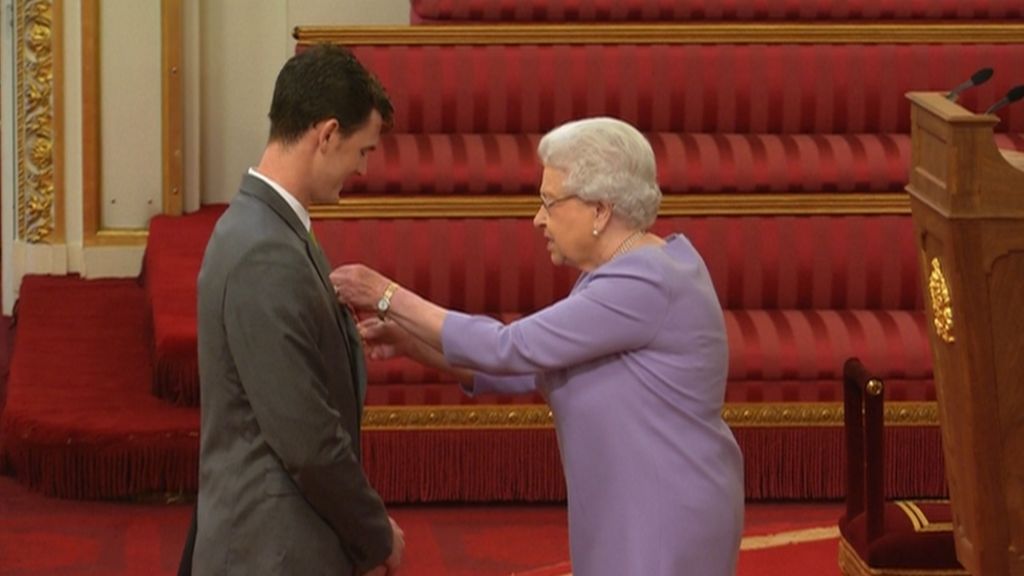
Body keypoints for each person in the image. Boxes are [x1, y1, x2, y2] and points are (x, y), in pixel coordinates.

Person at [332, 117, 744, 576]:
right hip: (633, 503)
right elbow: (529, 367)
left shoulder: (644, 281)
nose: (538, 218)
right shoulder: (618, 273)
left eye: (549, 202)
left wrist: (385, 294)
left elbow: (510, 347)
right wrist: (411, 341)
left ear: (600, 210)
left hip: (664, 510)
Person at [185, 44, 404, 576]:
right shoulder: (265, 251)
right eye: (362, 150)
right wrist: (375, 535)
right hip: (272, 553)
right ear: (326, 135)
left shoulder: (270, 229)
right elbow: (307, 440)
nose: (363, 169)